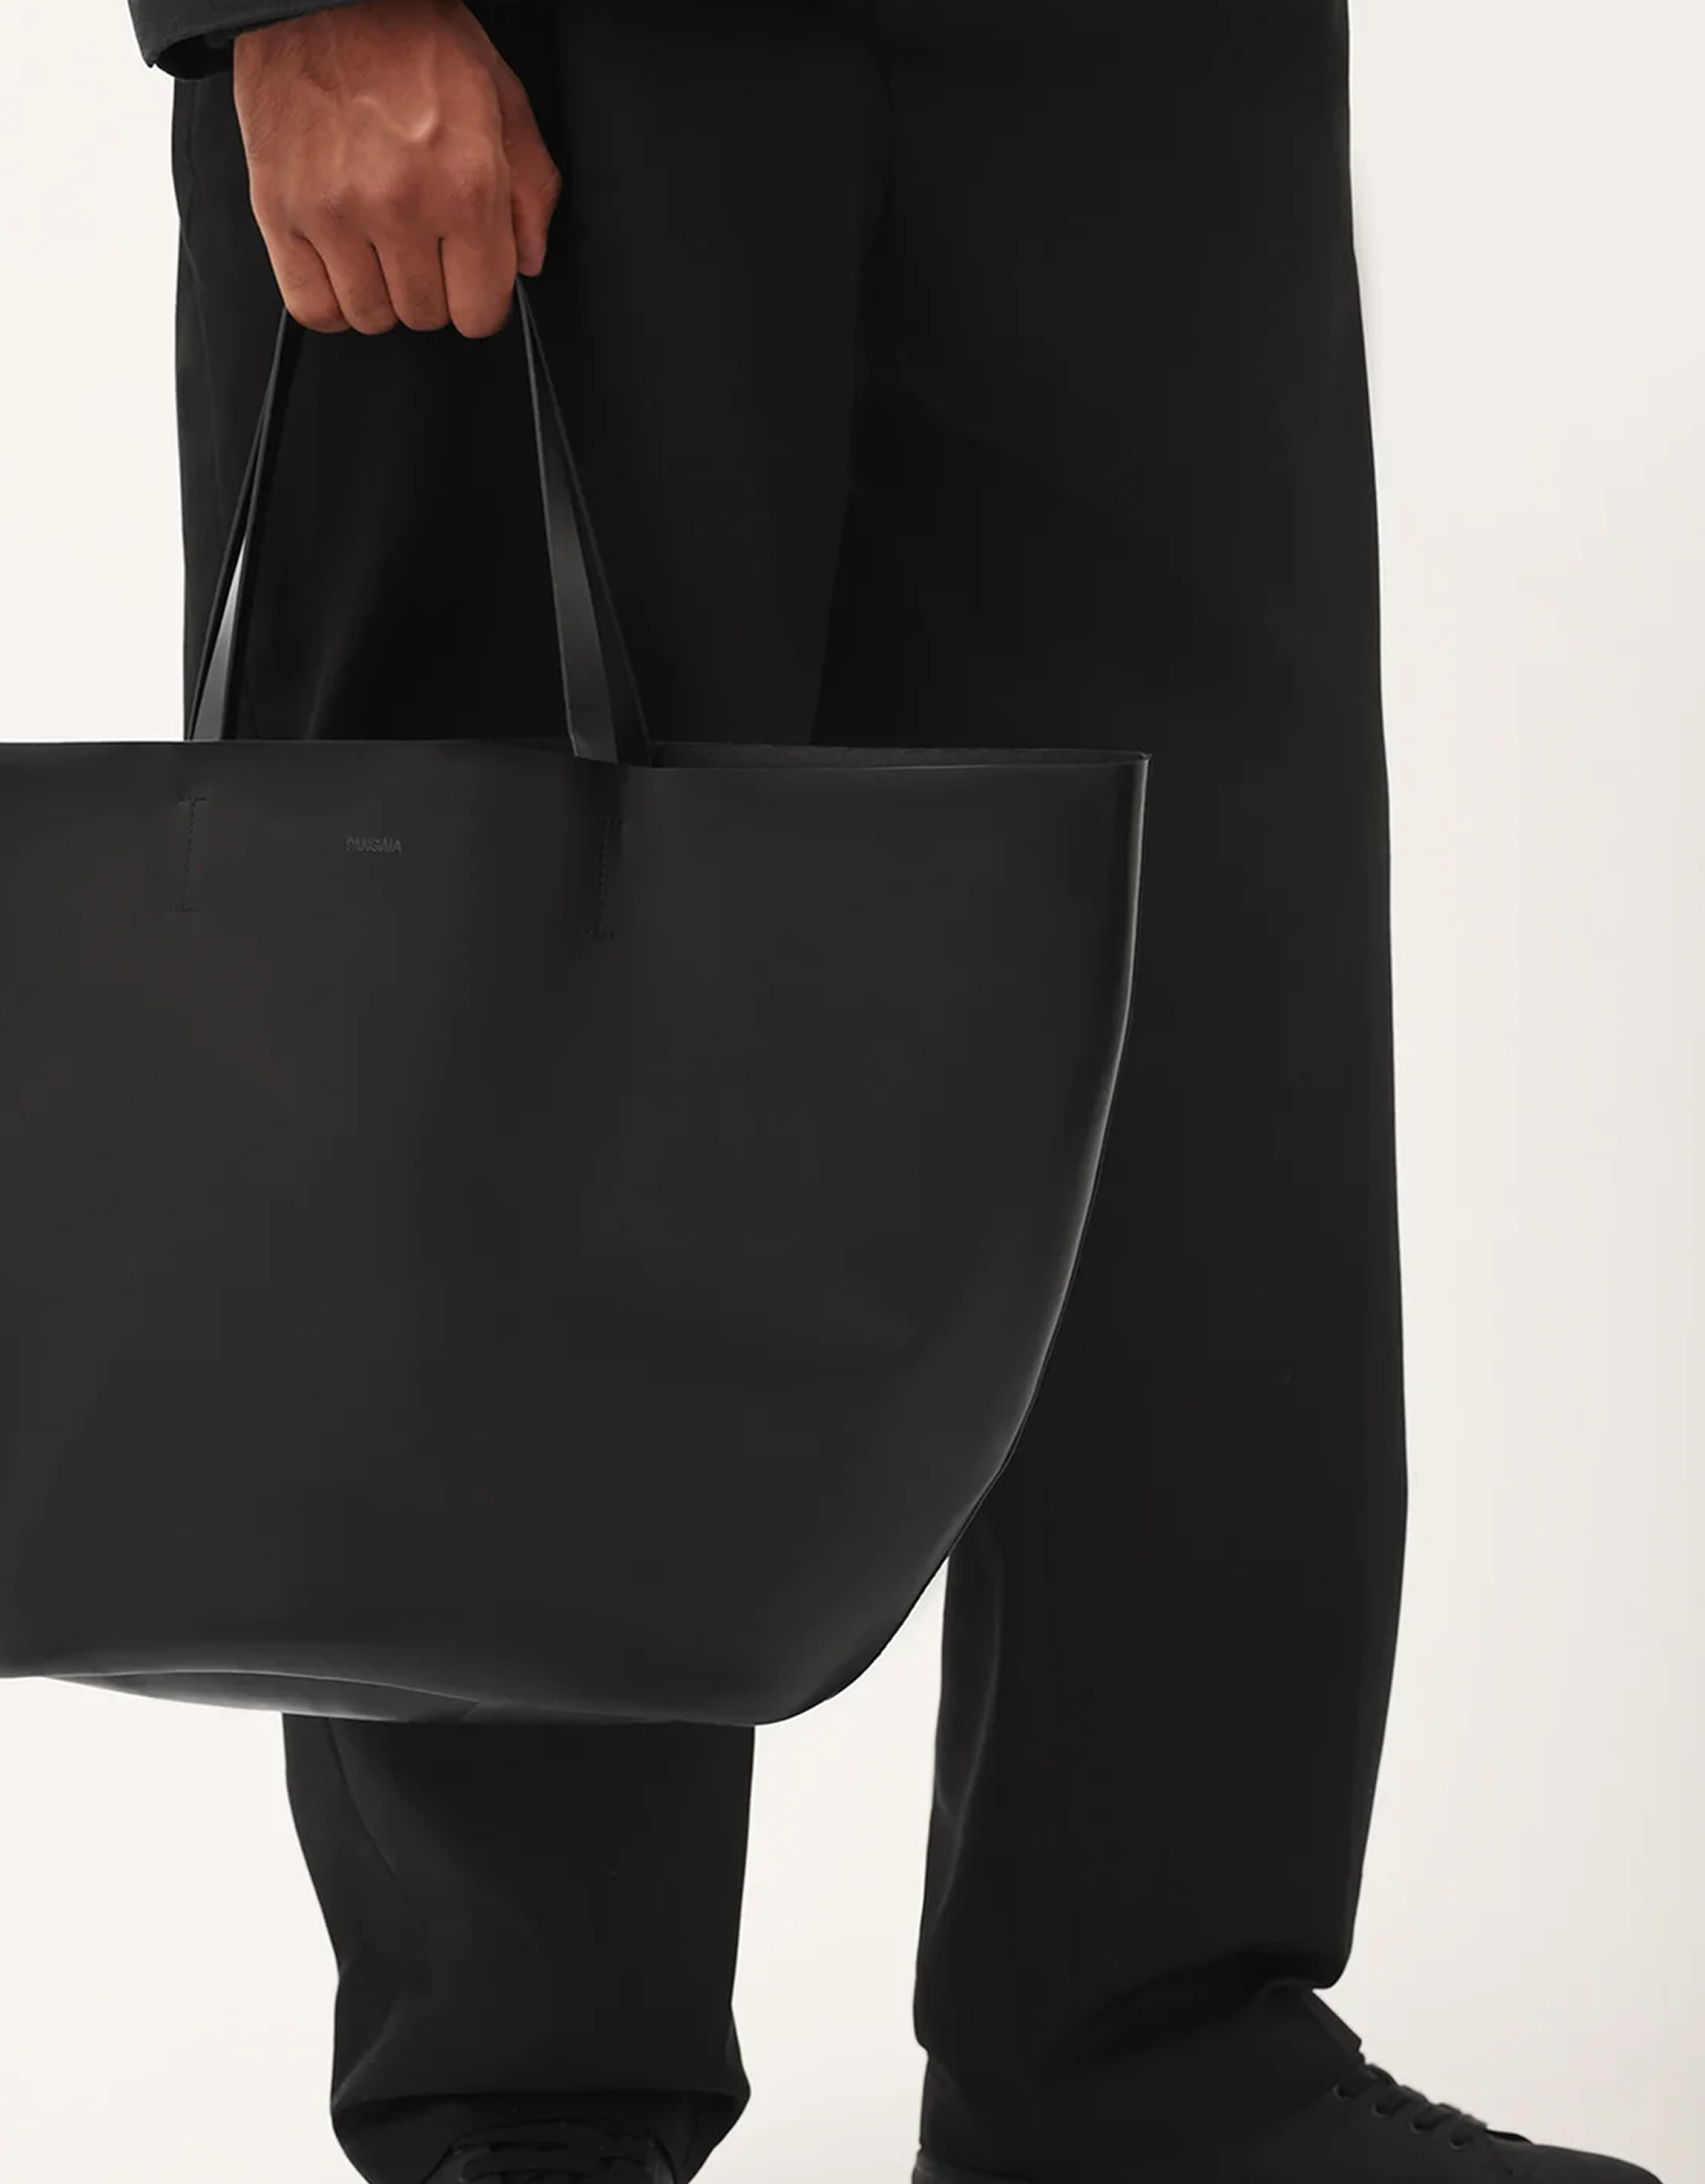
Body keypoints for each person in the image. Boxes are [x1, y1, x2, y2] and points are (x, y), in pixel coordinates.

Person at [125, 5, 1662, 2182]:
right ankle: (527, 2109)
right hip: (544, 37)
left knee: (1198, 989)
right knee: (507, 1005)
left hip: (1135, 57)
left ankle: (1150, 2067)